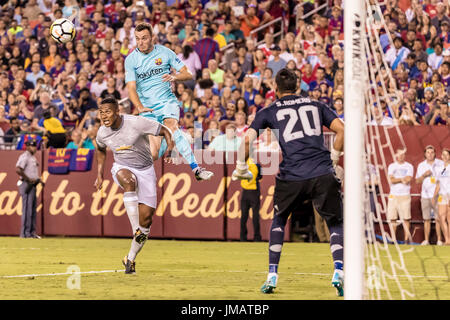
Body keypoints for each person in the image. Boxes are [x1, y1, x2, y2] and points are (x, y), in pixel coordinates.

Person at [233, 68, 345, 296]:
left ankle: (272, 275)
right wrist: (333, 160)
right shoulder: (316, 105)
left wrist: (242, 167)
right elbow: (342, 130)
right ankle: (339, 271)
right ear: (297, 87)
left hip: (292, 174)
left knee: (279, 219)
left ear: (275, 90)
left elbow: (246, 141)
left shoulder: (269, 111)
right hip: (321, 171)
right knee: (335, 222)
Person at [94, 97, 175, 274]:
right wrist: (100, 173)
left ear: (117, 112)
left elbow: (165, 130)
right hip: (122, 167)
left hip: (146, 171)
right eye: (101, 112)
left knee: (147, 220)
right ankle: (135, 229)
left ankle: (129, 259)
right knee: (128, 181)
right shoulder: (102, 132)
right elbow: (100, 149)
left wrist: (170, 147)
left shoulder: (136, 123)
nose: (104, 115)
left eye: (107, 111)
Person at [125, 22, 213, 181]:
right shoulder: (131, 60)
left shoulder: (165, 53)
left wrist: (175, 77)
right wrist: (139, 106)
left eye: (144, 38)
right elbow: (131, 88)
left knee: (172, 125)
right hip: (146, 108)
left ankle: (196, 169)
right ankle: (169, 142)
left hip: (167, 102)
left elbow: (188, 74)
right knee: (153, 153)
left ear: (152, 37)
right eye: (138, 39)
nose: (141, 42)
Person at [415, 145, 444, 245]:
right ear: (425, 154)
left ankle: (439, 240)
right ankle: (426, 240)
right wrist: (424, 175)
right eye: (428, 152)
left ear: (435, 153)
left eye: (432, 152)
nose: (430, 154)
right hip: (425, 196)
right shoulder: (421, 165)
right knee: (426, 219)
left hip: (438, 195)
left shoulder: (440, 163)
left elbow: (444, 180)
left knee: (438, 219)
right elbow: (417, 181)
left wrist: (436, 195)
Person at [16, 139, 44, 239]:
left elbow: (32, 173)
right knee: (27, 209)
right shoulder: (25, 156)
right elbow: (18, 169)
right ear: (27, 146)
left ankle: (31, 232)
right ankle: (25, 233)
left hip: (33, 185)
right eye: (32, 146)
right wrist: (28, 179)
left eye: (35, 146)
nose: (34, 148)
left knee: (32, 210)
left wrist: (39, 180)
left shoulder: (32, 157)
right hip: (26, 185)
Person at [387, 149, 414, 244]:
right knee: (392, 218)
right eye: (399, 154)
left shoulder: (409, 166)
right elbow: (391, 180)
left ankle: (406, 239)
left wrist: (397, 179)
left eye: (403, 154)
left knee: (406, 218)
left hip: (405, 195)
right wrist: (401, 179)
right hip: (393, 195)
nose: (401, 156)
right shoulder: (391, 166)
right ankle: (393, 239)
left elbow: (408, 179)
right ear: (396, 155)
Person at [239, 157, 262, 242]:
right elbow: (260, 176)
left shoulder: (242, 163)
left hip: (245, 191)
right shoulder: (256, 164)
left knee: (244, 216)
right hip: (254, 191)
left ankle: (242, 237)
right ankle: (257, 237)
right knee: (255, 216)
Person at [432, 148, 450, 245]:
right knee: (441, 218)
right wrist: (434, 196)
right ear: (441, 156)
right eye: (443, 155)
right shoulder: (439, 169)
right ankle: (447, 239)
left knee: (449, 218)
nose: (445, 156)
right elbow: (438, 184)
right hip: (442, 195)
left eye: (447, 154)